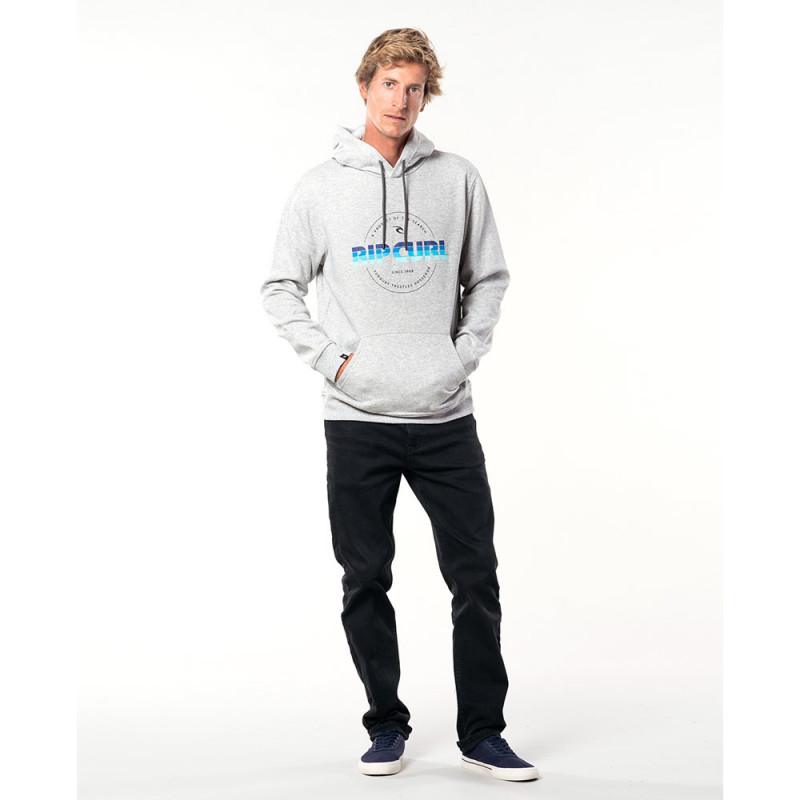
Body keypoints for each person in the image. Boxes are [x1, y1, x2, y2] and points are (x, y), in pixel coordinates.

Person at [260, 28, 538, 782]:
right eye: (390, 84)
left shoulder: (458, 178)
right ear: (365, 88)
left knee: (475, 578)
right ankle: (385, 726)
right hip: (357, 421)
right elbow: (280, 287)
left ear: (427, 96)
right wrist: (334, 362)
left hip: (446, 417)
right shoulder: (320, 188)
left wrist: (460, 356)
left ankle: (483, 733)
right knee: (365, 580)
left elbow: (489, 277)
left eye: (415, 88)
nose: (402, 100)